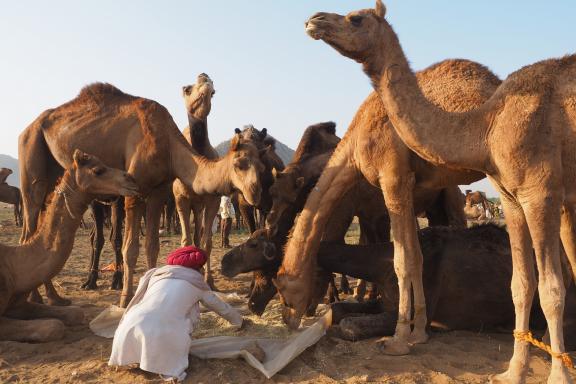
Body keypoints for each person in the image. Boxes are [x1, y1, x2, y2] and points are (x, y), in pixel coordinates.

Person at [108, 245, 243, 382]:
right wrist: (239, 321)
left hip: (129, 326)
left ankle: (127, 358)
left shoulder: (156, 274)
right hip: (164, 332)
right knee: (176, 324)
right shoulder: (197, 284)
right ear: (198, 268)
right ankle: (166, 366)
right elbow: (221, 307)